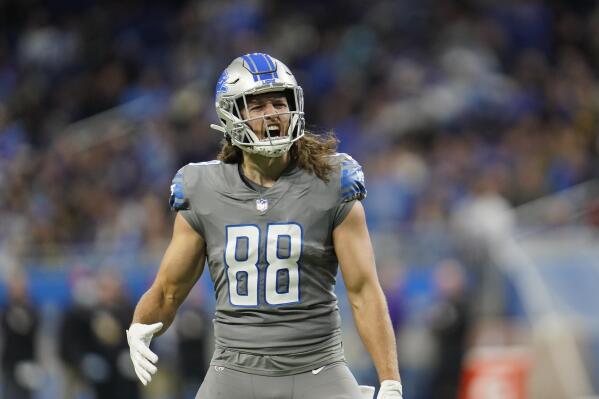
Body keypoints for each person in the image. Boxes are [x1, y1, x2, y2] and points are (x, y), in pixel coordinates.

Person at [126, 52, 403, 399]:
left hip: (318, 368)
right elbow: (168, 289)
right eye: (257, 106)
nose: (272, 113)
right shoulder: (202, 187)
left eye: (279, 103)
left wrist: (390, 380)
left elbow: (364, 291)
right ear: (231, 115)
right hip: (233, 371)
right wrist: (138, 325)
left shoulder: (332, 180)